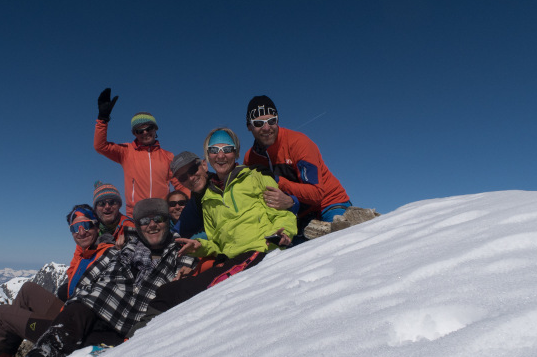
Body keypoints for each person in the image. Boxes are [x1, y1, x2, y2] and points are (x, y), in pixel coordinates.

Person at [8, 198, 196, 357]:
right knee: (59, 336)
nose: (152, 225)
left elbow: (183, 279)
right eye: (144, 221)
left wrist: (187, 269)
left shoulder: (181, 252)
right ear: (138, 225)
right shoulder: (124, 247)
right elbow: (88, 279)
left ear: (167, 221)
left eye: (158, 219)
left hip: (123, 326)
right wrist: (79, 299)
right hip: (92, 305)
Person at [149, 128, 297, 312]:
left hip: (261, 252)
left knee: (179, 295)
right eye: (214, 150)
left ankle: (142, 336)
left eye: (227, 149)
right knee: (167, 292)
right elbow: (216, 243)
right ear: (208, 157)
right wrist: (200, 247)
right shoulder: (206, 199)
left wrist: (284, 232)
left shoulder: (255, 177)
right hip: (233, 260)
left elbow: (282, 212)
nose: (220, 155)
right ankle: (135, 337)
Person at [0, 205, 113, 357]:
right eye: (75, 228)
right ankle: (5, 355)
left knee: (0, 316)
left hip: (72, 331)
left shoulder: (104, 254)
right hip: (70, 314)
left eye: (86, 225)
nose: (81, 232)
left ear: (96, 226)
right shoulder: (85, 253)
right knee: (27, 290)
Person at [242, 95, 351, 241]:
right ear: (249, 126)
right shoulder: (250, 159)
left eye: (271, 121)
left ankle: (358, 220)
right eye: (259, 123)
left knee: (339, 241)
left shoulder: (298, 143)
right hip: (297, 215)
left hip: (329, 203)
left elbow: (316, 193)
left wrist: (280, 184)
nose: (266, 128)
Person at [93, 88, 184, 217]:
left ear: (155, 128)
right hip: (136, 217)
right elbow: (100, 146)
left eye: (149, 128)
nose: (145, 133)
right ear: (134, 134)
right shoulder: (126, 151)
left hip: (162, 216)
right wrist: (102, 119)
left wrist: (190, 205)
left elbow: (180, 185)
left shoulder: (168, 156)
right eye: (140, 131)